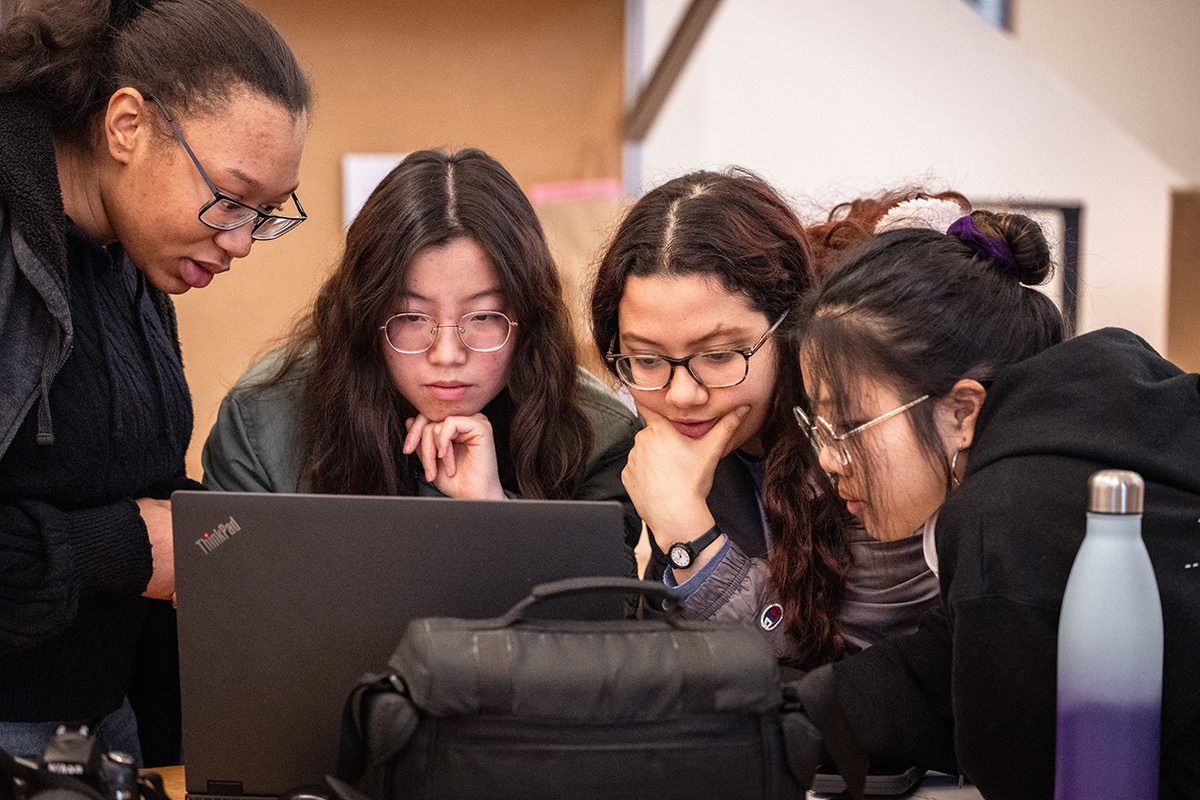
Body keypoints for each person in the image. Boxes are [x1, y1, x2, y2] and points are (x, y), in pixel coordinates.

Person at [794, 208, 1200, 798]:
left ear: (961, 410)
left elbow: (1014, 768)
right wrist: (767, 715)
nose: (829, 459)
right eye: (819, 428)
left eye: (851, 425)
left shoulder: (1004, 515)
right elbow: (933, 677)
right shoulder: (1088, 446)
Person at [0, 0, 311, 764]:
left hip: (105, 720)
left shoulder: (131, 259)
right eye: (229, 199)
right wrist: (130, 548)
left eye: (265, 214)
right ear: (127, 125)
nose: (239, 242)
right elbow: (128, 533)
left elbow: (128, 477)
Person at [200, 148, 642, 571]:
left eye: (484, 316)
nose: (447, 355)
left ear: (528, 317)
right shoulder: (262, 420)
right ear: (364, 313)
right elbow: (226, 608)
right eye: (411, 316)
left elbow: (604, 630)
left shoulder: (597, 435)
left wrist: (495, 513)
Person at [589, 168, 940, 669]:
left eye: (719, 355)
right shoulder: (681, 450)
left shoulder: (863, 440)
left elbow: (848, 664)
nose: (683, 395)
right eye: (646, 360)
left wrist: (692, 540)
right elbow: (670, 660)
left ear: (789, 328)